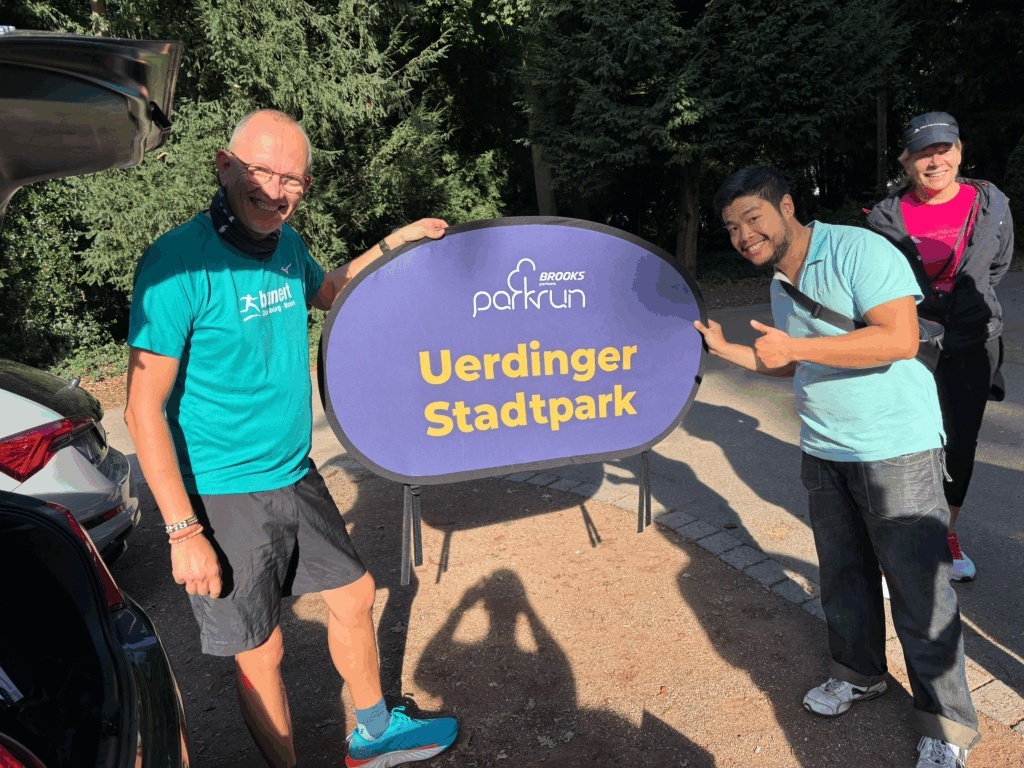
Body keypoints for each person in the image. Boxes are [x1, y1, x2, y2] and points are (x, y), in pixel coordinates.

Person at [125, 109, 457, 768]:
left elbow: (329, 291)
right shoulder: (176, 265)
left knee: (354, 595)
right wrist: (183, 532)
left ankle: (374, 734)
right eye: (262, 173)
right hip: (221, 490)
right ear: (225, 166)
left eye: (292, 180)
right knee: (262, 651)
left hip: (292, 471)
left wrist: (397, 242)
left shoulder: (285, 246)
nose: (275, 191)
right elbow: (141, 410)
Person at [694, 167, 979, 768]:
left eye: (752, 218)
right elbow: (792, 362)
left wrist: (796, 347)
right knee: (844, 576)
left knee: (920, 592)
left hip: (896, 448)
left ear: (786, 206)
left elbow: (898, 338)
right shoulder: (780, 280)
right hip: (825, 449)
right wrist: (728, 350)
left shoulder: (857, 249)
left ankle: (947, 726)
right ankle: (859, 674)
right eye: (732, 228)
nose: (744, 235)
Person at [867, 111, 1014, 581]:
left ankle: (944, 534)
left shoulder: (990, 204)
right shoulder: (886, 217)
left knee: (960, 443)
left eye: (943, 149)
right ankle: (903, 541)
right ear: (906, 161)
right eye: (923, 153)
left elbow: (996, 267)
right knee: (907, 440)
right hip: (911, 344)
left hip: (973, 342)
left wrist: (963, 306)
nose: (935, 162)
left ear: (959, 152)